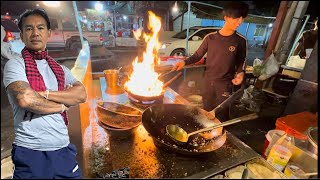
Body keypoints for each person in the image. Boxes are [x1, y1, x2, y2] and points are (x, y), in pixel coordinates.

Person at [3, 8, 87, 179]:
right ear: (22, 34)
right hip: (31, 152)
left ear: (48, 33)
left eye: (40, 28)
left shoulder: (60, 69)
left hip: (63, 149)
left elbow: (81, 94)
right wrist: (62, 106)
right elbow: (26, 99)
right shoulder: (15, 65)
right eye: (29, 28)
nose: (35, 33)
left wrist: (45, 94)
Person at [172, 1, 249, 121]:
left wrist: (240, 73)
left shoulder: (240, 40)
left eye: (242, 18)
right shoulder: (210, 38)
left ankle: (222, 135)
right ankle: (207, 135)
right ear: (226, 17)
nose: (240, 21)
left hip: (225, 84)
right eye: (236, 18)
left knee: (221, 113)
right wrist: (184, 62)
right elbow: (197, 55)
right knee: (207, 110)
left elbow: (241, 60)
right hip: (207, 81)